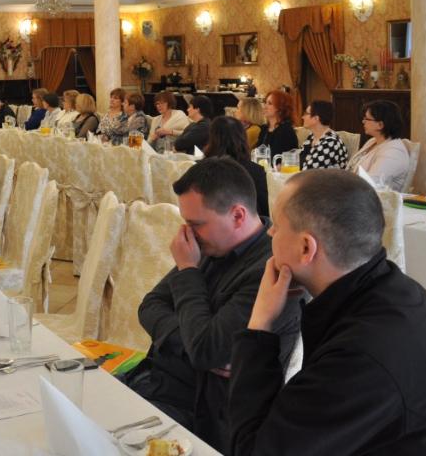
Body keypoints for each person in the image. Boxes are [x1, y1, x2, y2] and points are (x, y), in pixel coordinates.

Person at [228, 169, 426, 454]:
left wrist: (260, 324)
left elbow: (254, 450)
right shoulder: (394, 289)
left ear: (306, 247)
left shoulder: (360, 356)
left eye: (277, 226)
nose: (270, 232)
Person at [117, 158, 299, 452]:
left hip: (197, 414)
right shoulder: (209, 246)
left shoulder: (268, 270)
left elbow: (206, 350)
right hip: (151, 379)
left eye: (196, 224)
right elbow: (150, 305)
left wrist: (188, 271)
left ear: (237, 215)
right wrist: (192, 342)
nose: (186, 234)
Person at [204, 116, 269, 217]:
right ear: (242, 138)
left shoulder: (201, 169)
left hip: (209, 223)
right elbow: (265, 209)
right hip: (246, 223)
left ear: (212, 139)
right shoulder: (255, 170)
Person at [346, 99, 411, 191]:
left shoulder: (393, 152)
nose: (363, 121)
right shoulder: (373, 141)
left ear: (380, 125)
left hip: (372, 196)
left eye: (367, 119)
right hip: (355, 190)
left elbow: (370, 183)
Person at [299, 100, 348, 170]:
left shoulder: (331, 142)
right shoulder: (312, 137)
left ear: (316, 118)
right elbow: (298, 161)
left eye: (306, 114)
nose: (302, 117)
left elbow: (310, 170)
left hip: (324, 177)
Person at [256, 90, 298, 157]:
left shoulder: (286, 131)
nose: (265, 107)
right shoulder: (264, 129)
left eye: (270, 103)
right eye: (265, 102)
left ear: (280, 108)